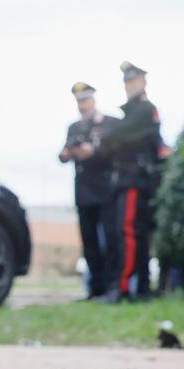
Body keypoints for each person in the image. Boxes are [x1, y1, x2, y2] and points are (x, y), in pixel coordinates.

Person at [94, 62, 164, 302]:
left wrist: (111, 135)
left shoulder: (144, 110)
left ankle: (123, 287)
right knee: (136, 234)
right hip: (129, 180)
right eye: (127, 82)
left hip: (134, 180)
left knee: (129, 233)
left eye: (134, 81)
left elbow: (116, 135)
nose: (130, 86)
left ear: (143, 82)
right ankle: (141, 288)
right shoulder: (130, 114)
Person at [58, 82, 113, 300]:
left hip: (104, 191)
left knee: (107, 240)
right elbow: (63, 154)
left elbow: (110, 152)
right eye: (79, 101)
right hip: (83, 192)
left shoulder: (106, 123)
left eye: (85, 100)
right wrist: (69, 153)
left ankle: (110, 286)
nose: (82, 105)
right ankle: (95, 288)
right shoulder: (74, 127)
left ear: (93, 100)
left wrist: (93, 152)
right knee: (89, 242)